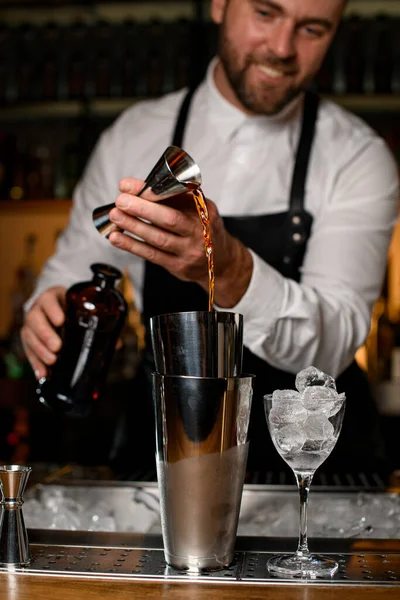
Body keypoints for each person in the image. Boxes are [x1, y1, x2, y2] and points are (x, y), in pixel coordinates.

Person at [22, 0, 399, 479]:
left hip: (310, 471)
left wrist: (231, 267)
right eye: (266, 13)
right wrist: (48, 307)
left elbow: (332, 347)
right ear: (220, 4)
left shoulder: (357, 157)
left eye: (312, 28)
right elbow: (76, 265)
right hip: (166, 456)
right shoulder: (132, 136)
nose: (282, 48)